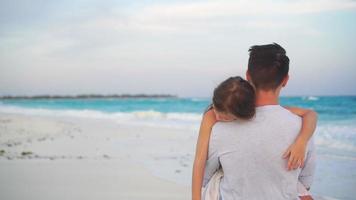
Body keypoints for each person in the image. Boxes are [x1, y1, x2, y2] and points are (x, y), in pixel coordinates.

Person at [192, 43, 317, 200]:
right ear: (285, 80)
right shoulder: (302, 127)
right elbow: (305, 183)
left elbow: (205, 176)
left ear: (248, 76)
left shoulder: (220, 126)